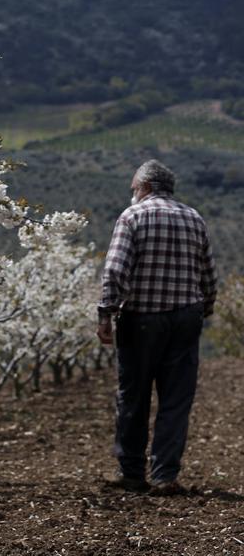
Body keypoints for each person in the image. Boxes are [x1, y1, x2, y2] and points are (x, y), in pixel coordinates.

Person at [97, 159, 217, 495]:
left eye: (134, 187)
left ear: (146, 187)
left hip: (142, 319)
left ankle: (132, 472)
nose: (131, 192)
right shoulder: (194, 217)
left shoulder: (132, 216)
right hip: (185, 317)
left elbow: (115, 271)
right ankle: (165, 476)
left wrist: (105, 313)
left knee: (134, 395)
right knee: (176, 399)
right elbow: (208, 274)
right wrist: (202, 310)